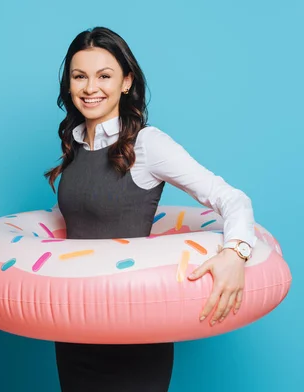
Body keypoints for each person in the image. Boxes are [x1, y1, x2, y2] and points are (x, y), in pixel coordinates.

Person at [44, 27, 256, 392]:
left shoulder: (147, 144)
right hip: (75, 329)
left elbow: (232, 198)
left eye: (104, 76)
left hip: (134, 329)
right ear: (69, 84)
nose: (90, 87)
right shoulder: (73, 144)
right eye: (79, 76)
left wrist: (236, 253)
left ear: (126, 82)